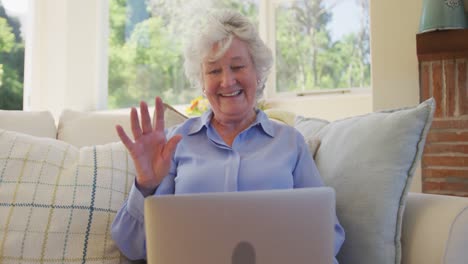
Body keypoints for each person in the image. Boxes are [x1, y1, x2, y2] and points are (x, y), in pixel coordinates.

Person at [111, 9, 345, 263]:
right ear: (201, 81)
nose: (227, 81)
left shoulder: (290, 142)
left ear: (258, 72)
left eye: (237, 66)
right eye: (213, 71)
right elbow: (132, 247)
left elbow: (329, 236)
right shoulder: (176, 143)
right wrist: (146, 185)